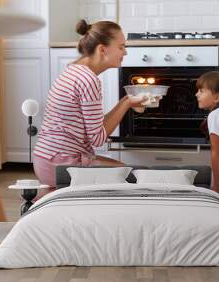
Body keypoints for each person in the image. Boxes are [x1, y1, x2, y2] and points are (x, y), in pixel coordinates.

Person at [32, 19, 146, 188]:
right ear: (102, 49)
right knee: (127, 175)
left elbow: (93, 131)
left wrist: (126, 101)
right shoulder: (88, 80)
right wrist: (126, 103)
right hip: (61, 164)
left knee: (123, 170)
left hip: (46, 158)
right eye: (121, 47)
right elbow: (98, 139)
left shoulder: (74, 70)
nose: (125, 52)